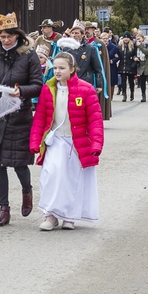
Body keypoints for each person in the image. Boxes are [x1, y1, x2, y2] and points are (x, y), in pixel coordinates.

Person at [0, 12, 43, 227]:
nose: (6, 40)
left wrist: (21, 91)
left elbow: (37, 84)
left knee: (19, 163)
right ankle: (3, 208)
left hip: (19, 115)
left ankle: (26, 190)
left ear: (18, 36)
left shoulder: (29, 55)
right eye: (3, 36)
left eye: (10, 36)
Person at [30, 52, 103, 230]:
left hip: (75, 143)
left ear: (72, 69)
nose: (57, 71)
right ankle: (51, 215)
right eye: (55, 68)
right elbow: (40, 118)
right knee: (51, 175)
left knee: (71, 180)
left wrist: (96, 143)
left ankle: (69, 216)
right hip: (55, 141)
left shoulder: (86, 89)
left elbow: (95, 119)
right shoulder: (48, 88)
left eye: (62, 68)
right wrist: (35, 141)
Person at [116, 32, 138, 102]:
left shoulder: (133, 46)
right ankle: (124, 95)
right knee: (123, 81)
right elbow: (118, 55)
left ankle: (132, 93)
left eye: (127, 37)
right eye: (125, 37)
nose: (126, 39)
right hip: (122, 65)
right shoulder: (119, 47)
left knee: (131, 81)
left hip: (130, 66)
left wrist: (134, 61)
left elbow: (136, 55)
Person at [101, 31, 120, 100]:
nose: (105, 40)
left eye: (106, 38)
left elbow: (118, 57)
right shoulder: (99, 46)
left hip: (111, 66)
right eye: (103, 38)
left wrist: (113, 60)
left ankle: (110, 95)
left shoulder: (113, 47)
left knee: (111, 81)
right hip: (102, 66)